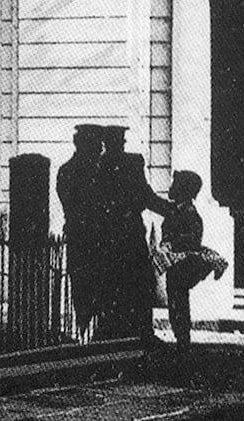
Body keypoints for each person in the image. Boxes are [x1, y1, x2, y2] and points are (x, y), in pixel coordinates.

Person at [58, 124, 171, 341]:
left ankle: (129, 335)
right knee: (101, 292)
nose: (101, 149)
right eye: (98, 145)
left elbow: (145, 196)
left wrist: (171, 210)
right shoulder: (87, 170)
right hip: (101, 243)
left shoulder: (108, 167)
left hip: (118, 240)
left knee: (130, 287)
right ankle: (99, 337)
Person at [157, 169, 229, 348]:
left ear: (183, 190)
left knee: (178, 301)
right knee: (177, 300)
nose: (170, 188)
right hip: (176, 263)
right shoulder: (178, 210)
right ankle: (181, 337)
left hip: (181, 264)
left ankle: (183, 340)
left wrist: (172, 244)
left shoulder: (188, 213)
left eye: (174, 184)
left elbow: (192, 239)